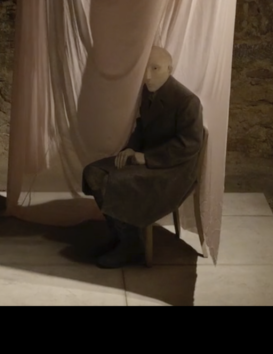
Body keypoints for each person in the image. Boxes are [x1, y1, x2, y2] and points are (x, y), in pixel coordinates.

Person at [81, 45, 204, 268]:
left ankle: (131, 245)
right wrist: (131, 148)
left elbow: (189, 144)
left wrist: (146, 158)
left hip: (173, 170)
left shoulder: (188, 101)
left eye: (155, 68)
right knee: (93, 173)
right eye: (145, 68)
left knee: (113, 180)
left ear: (169, 69)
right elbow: (141, 126)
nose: (147, 76)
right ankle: (121, 237)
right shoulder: (149, 90)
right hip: (147, 158)